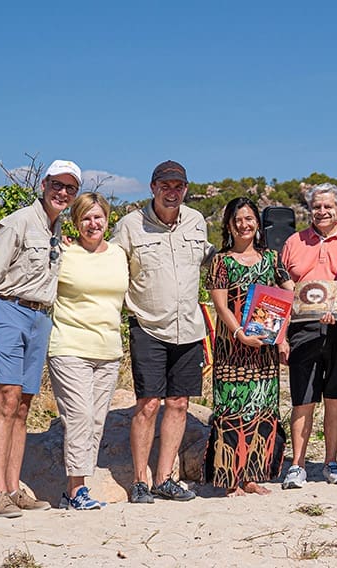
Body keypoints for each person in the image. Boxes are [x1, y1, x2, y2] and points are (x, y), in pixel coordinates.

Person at [0, 159, 82, 517]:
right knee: (6, 399)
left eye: (70, 188)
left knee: (24, 405)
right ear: (44, 184)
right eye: (57, 185)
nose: (62, 192)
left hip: (40, 317)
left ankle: (14, 489)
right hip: (8, 311)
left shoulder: (57, 229)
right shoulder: (17, 222)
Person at [112, 160, 215, 504]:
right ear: (152, 187)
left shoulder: (197, 222)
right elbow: (109, 269)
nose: (172, 193)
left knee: (179, 403)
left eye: (178, 187)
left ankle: (164, 478)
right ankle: (140, 480)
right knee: (148, 404)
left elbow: (212, 262)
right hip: (148, 326)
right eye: (165, 186)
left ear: (186, 189)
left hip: (188, 327)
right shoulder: (130, 225)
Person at [206, 197, 293, 496]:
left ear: (257, 223)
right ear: (229, 225)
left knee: (262, 409)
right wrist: (240, 333)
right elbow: (220, 304)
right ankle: (230, 479)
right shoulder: (221, 261)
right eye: (237, 220)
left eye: (248, 219)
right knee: (232, 410)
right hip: (232, 349)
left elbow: (288, 292)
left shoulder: (271, 258)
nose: (243, 225)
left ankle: (252, 476)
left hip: (265, 350)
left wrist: (282, 336)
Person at [48, 193, 128, 510]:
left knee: (95, 421)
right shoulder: (65, 251)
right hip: (69, 345)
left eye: (98, 217)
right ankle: (76, 490)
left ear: (107, 219)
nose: (92, 224)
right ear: (75, 221)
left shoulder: (119, 254)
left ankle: (80, 488)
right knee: (79, 417)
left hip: (108, 349)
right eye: (85, 218)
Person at [279, 183, 337, 489]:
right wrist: (281, 337)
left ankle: (331, 462)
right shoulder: (293, 242)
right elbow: (281, 290)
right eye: (316, 207)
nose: (321, 212)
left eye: (327, 207)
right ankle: (297, 465)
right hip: (302, 329)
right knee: (303, 400)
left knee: (335, 398)